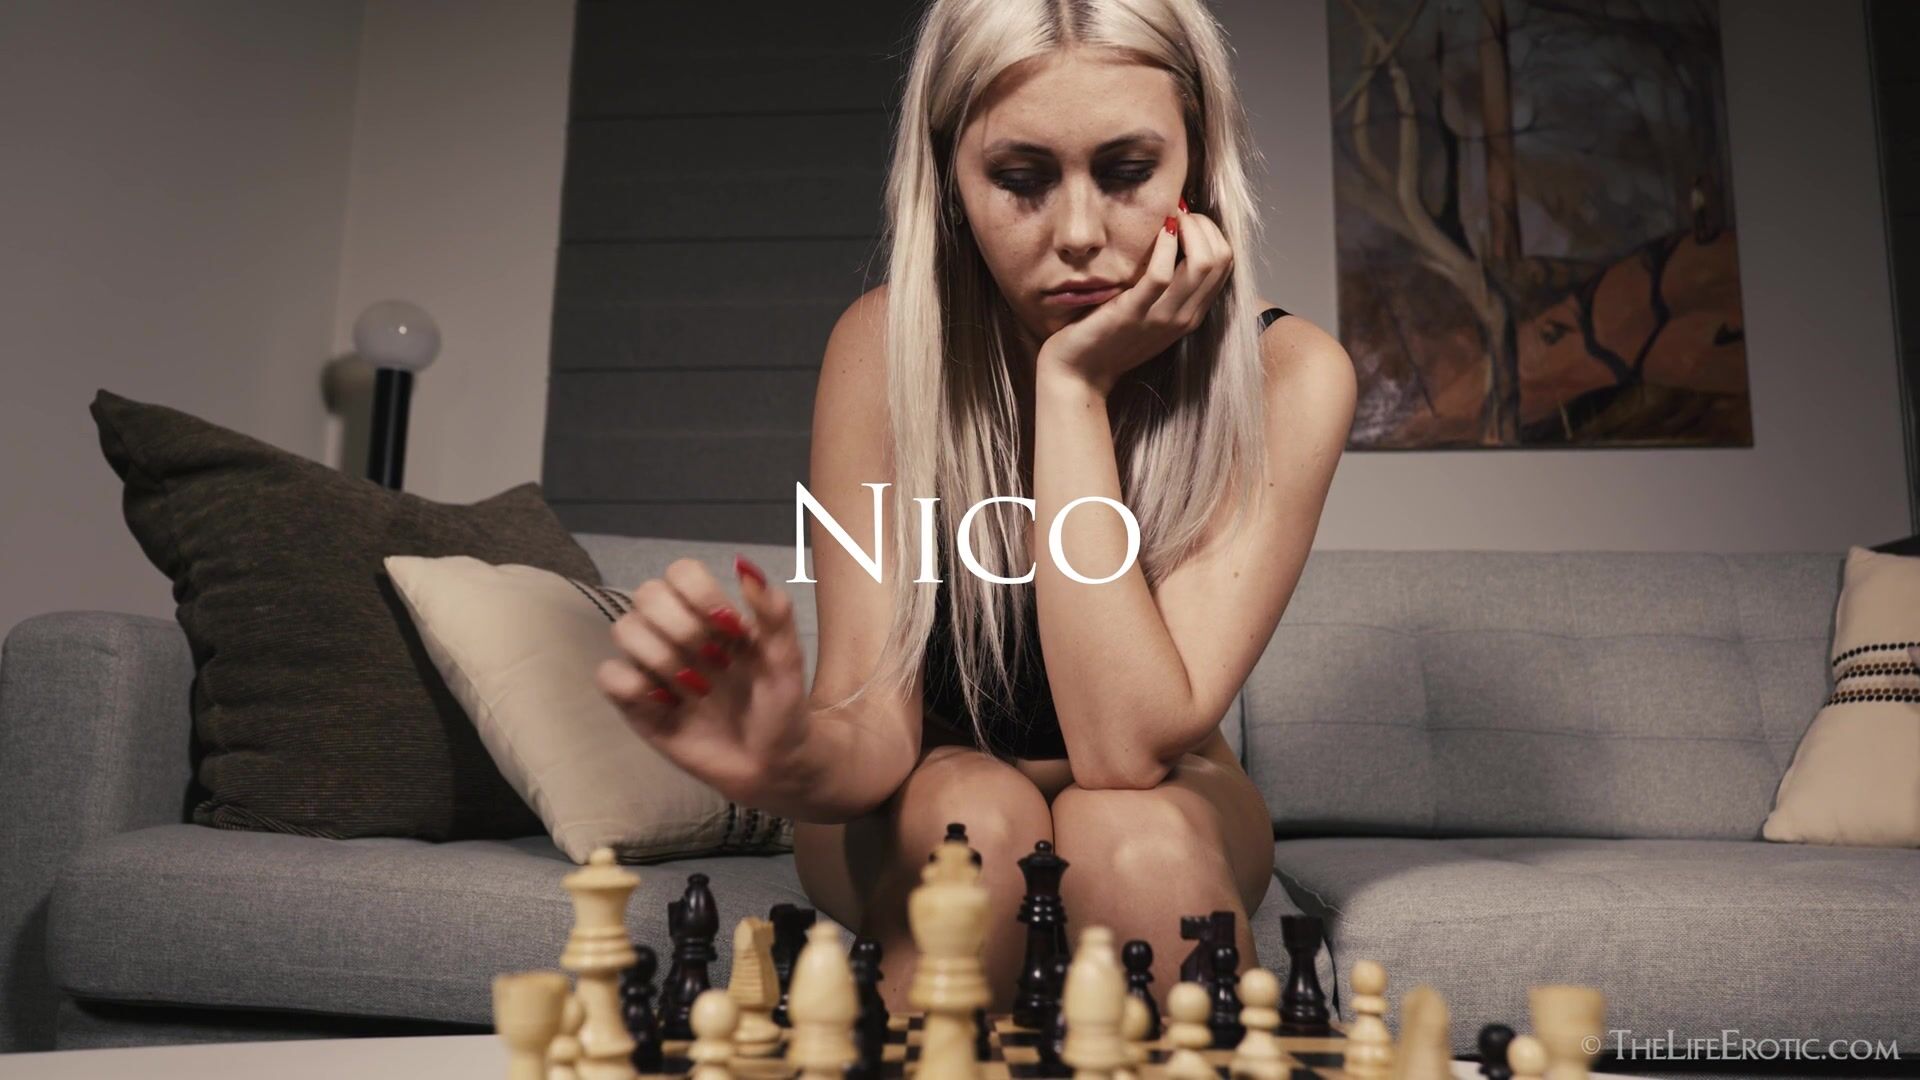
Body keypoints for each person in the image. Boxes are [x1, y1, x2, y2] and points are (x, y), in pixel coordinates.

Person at [594, 0, 1355, 1015]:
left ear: (1199, 162)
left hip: (1162, 787)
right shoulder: (881, 348)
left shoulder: (1289, 375)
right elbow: (870, 722)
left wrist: (1071, 388)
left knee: (1134, 839)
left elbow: (1125, 749)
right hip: (918, 781)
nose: (1079, 234)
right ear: (949, 178)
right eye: (1020, 178)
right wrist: (781, 757)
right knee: (977, 828)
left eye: (1128, 171)